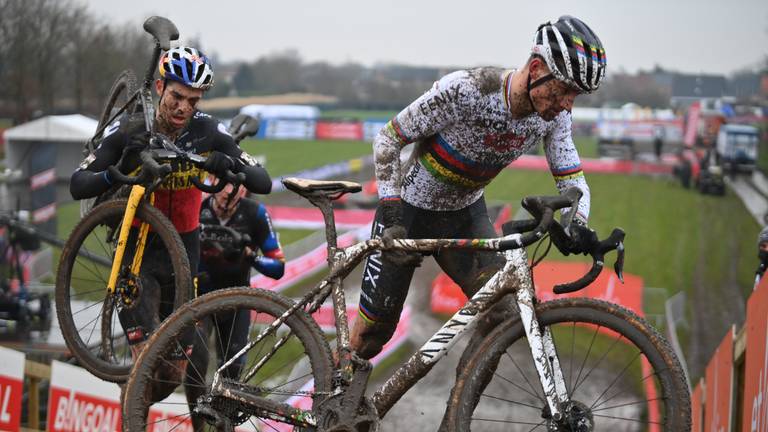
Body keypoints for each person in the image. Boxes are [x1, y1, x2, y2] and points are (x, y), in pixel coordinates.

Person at [350, 16, 607, 361]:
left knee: (505, 316)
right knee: (371, 338)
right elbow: (388, 139)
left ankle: (458, 408)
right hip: (407, 214)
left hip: (464, 215)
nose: (567, 104)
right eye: (563, 90)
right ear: (535, 68)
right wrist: (392, 211)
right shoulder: (467, 90)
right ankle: (334, 398)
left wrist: (579, 224)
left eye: (575, 95)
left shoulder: (555, 118)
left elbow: (572, 179)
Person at [69, 46, 272, 379]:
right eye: (177, 96)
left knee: (175, 372)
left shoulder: (207, 130)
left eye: (193, 101)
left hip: (185, 248)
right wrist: (115, 174)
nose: (183, 107)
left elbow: (261, 180)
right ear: (160, 87)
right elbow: (78, 183)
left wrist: (227, 165)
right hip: (138, 250)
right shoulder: (131, 127)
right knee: (145, 365)